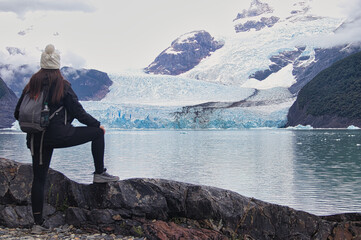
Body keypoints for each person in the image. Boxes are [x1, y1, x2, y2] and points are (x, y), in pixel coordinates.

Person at [14, 44, 119, 232]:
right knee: (97, 133)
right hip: (60, 136)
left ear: (42, 64)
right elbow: (78, 112)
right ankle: (99, 173)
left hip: (35, 139)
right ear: (57, 65)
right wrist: (97, 125)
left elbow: (17, 113)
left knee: (39, 179)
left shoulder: (31, 85)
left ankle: (37, 224)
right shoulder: (62, 85)